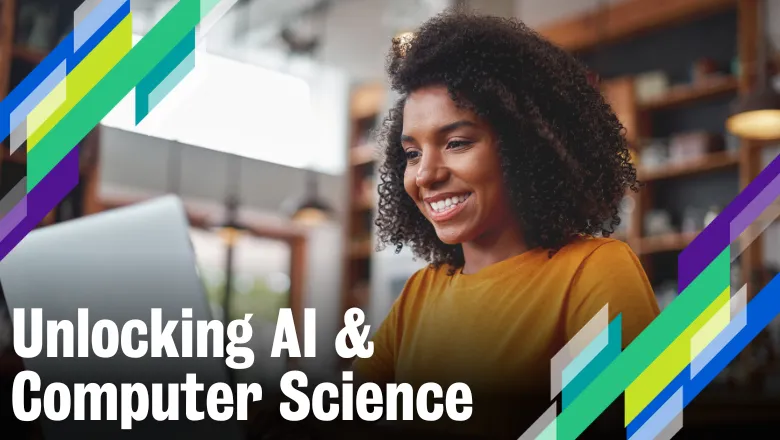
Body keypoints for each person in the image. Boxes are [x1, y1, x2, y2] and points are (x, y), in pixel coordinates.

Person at [351, 10, 661, 439]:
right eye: (413, 153)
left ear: (525, 148)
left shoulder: (594, 270)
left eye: (456, 143)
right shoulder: (421, 293)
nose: (425, 175)